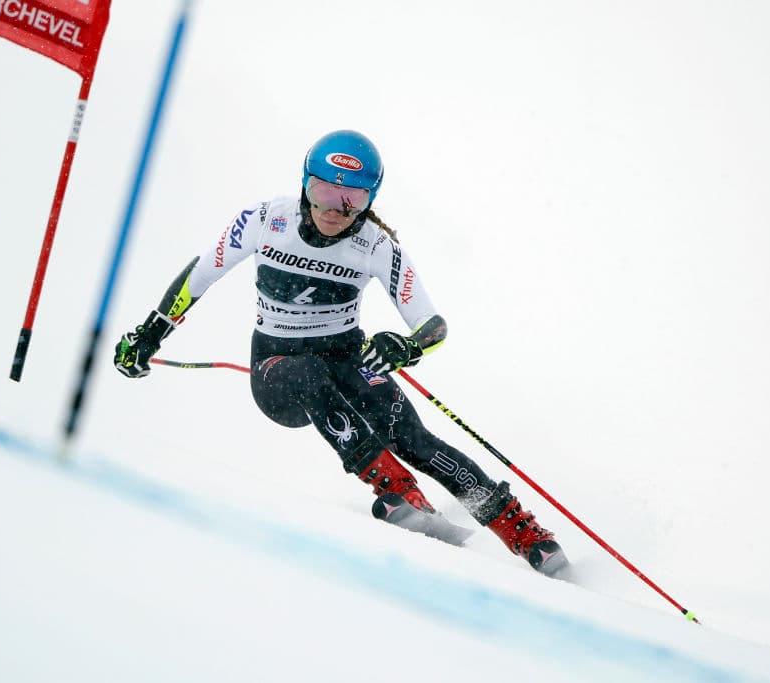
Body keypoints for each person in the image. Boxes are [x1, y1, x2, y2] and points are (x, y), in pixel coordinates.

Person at [114, 130, 567, 575]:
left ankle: (519, 528)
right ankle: (398, 488)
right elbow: (201, 275)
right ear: (304, 184)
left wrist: (405, 345)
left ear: (370, 200)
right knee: (308, 372)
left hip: (347, 357)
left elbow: (433, 325)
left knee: (412, 436)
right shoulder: (266, 220)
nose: (335, 208)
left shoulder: (375, 245)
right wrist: (151, 334)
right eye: (323, 191)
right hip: (278, 371)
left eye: (352, 199)